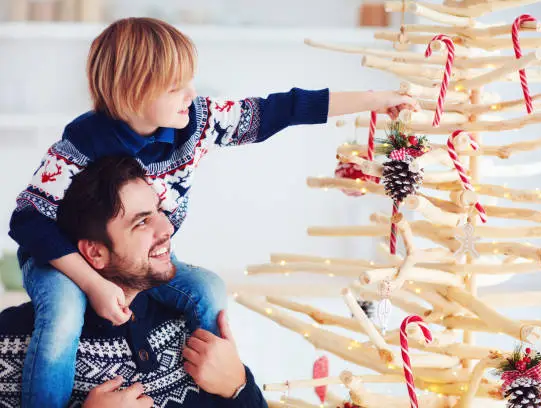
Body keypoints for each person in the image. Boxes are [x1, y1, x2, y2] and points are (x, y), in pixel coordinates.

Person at [7, 16, 419, 407]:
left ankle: (211, 387)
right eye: (174, 87)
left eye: (188, 82)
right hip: (61, 260)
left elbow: (282, 108)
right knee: (62, 316)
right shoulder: (82, 144)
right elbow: (26, 221)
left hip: (132, 261)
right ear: (130, 90)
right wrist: (93, 285)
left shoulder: (197, 123)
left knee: (208, 290)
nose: (190, 94)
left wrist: (375, 100)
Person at [0, 155, 268, 407]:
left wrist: (238, 386)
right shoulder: (12, 341)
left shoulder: (196, 320)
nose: (167, 229)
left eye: (158, 211)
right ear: (95, 252)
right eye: (141, 222)